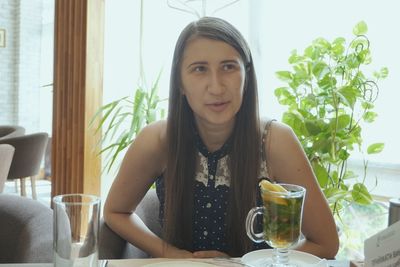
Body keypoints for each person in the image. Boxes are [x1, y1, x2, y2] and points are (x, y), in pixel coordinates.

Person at [104, 17, 339, 259]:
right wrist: (175, 255)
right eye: (199, 69)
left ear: (246, 77)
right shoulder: (159, 139)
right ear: (180, 82)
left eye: (228, 67)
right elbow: (116, 211)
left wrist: (249, 265)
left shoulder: (275, 141)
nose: (216, 87)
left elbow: (326, 243)